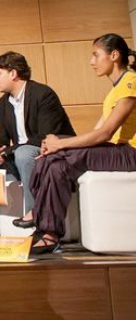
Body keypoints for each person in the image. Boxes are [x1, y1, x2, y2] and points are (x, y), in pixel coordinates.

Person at [27, 34, 136, 253]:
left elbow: (105, 133)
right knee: (55, 162)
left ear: (114, 55)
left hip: (130, 153)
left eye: (96, 55)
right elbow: (95, 132)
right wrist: (57, 144)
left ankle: (39, 215)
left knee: (60, 151)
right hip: (118, 150)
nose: (91, 61)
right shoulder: (115, 90)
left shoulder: (131, 83)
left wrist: (61, 145)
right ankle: (47, 232)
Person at [0, 52, 75, 243]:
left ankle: (37, 219)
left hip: (48, 155)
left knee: (24, 153)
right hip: (19, 158)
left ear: (13, 73)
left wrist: (6, 152)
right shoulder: (3, 103)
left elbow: (45, 137)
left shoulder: (43, 94)